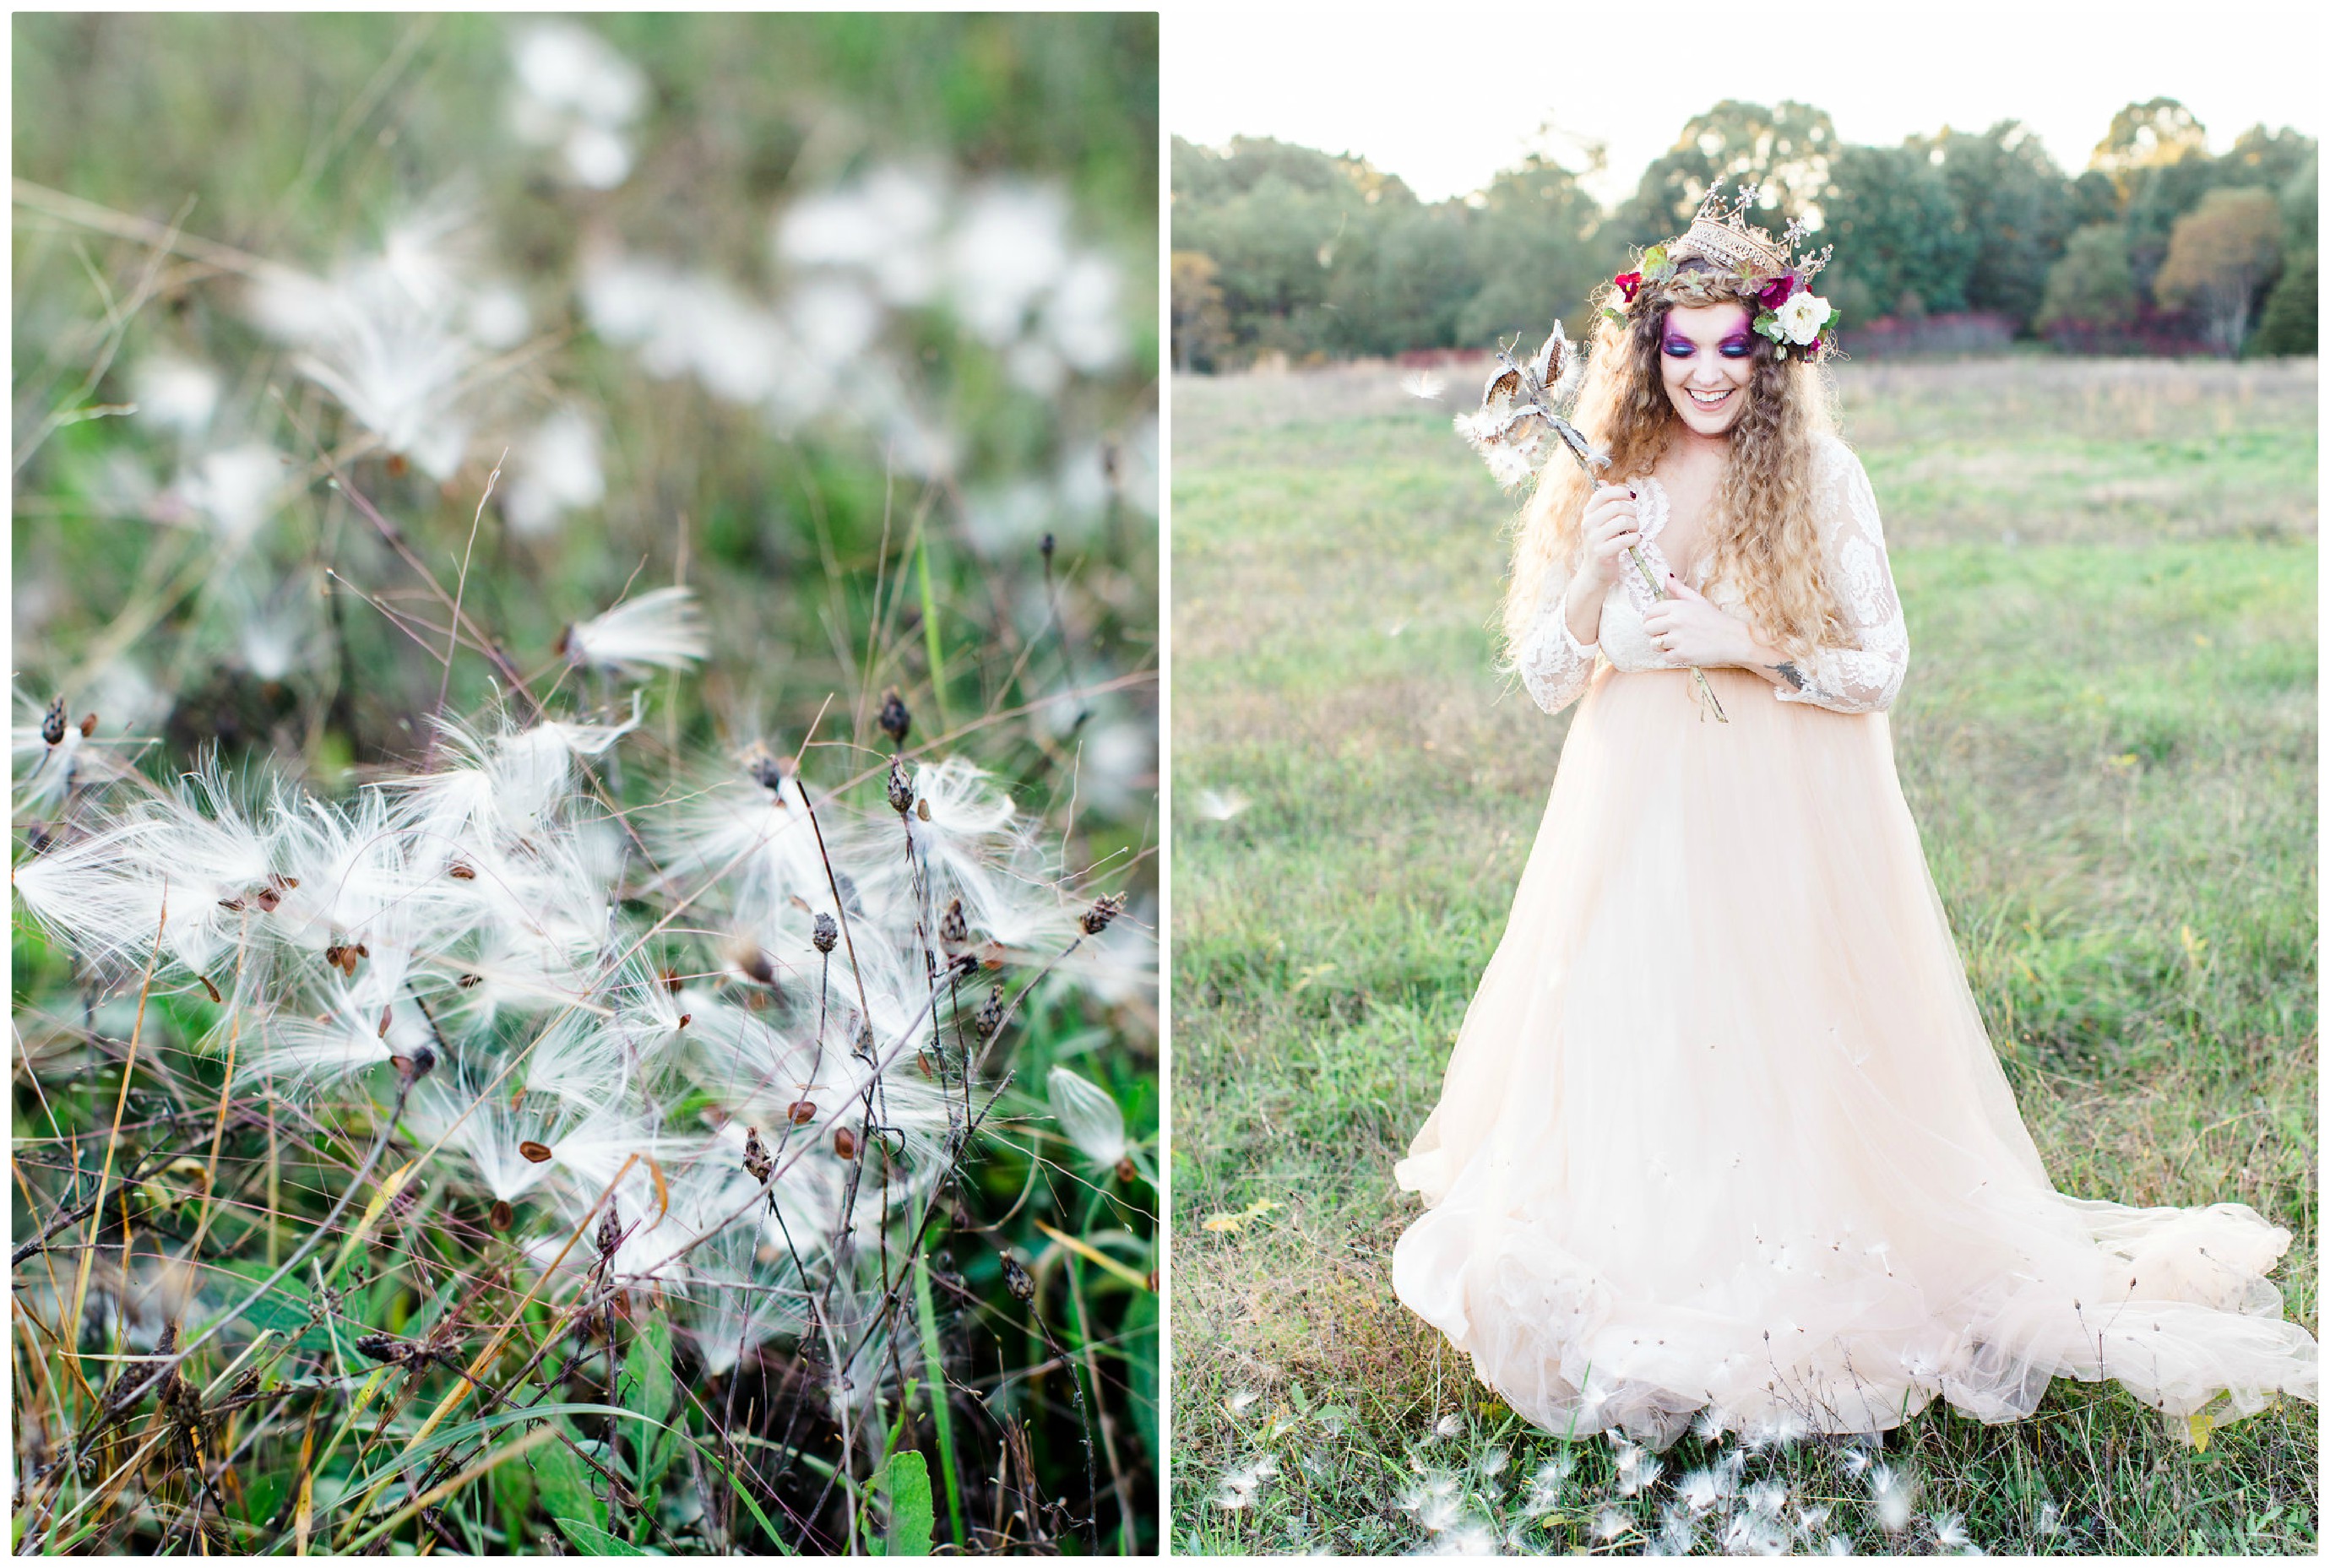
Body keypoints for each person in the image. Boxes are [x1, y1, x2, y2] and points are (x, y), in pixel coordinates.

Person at [1391, 189, 2317, 1451]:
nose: (1707, 373)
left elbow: (1879, 665)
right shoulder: (1602, 474)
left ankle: (1797, 1262)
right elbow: (1552, 678)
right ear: (1645, 353)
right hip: (1633, 807)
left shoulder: (1820, 474)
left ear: (1773, 354)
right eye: (1681, 347)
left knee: (1777, 1028)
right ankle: (1661, 1255)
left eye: (1733, 346)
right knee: (1652, 1022)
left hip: (1779, 802)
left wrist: (1742, 641)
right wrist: (1600, 566)